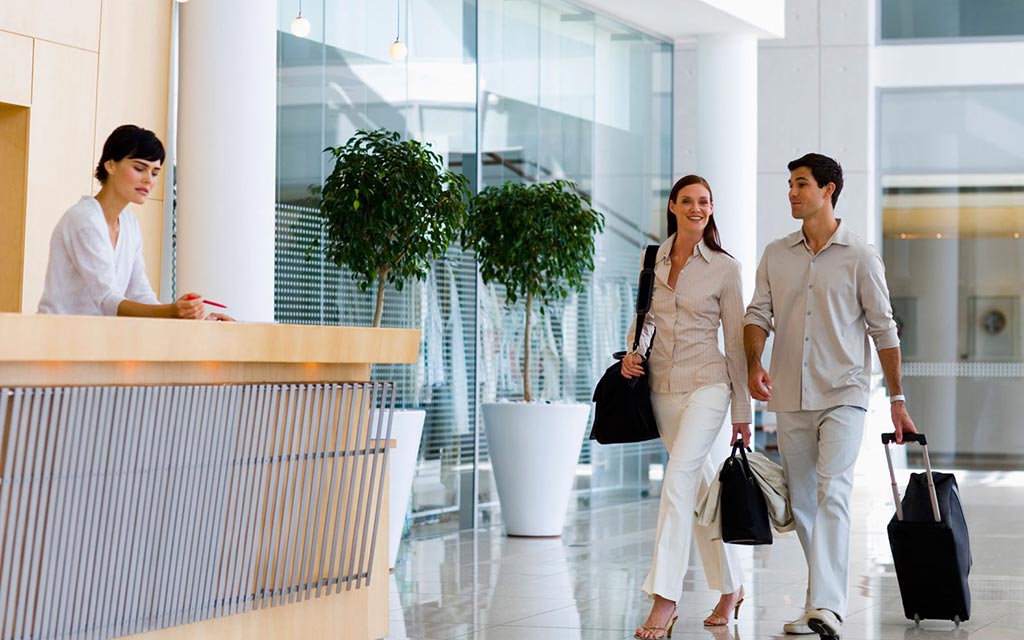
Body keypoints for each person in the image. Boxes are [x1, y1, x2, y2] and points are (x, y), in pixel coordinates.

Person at [743, 153, 916, 639]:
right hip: (791, 395)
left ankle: (827, 606)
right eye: (790, 185)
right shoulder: (776, 254)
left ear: (829, 190)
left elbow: (884, 331)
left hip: (844, 392)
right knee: (802, 502)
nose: (792, 193)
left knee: (833, 492)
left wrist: (897, 400)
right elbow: (757, 314)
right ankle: (819, 602)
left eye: (801, 184)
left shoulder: (860, 255)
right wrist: (756, 363)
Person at [621, 175, 751, 639]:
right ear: (673, 206)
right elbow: (644, 319)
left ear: (711, 209)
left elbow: (736, 345)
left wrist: (743, 413)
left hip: (708, 385)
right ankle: (732, 587)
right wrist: (632, 353)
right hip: (661, 387)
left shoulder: (724, 268)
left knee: (676, 482)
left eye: (705, 202)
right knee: (697, 491)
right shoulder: (651, 258)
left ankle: (665, 599)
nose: (698, 208)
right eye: (689, 201)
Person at [38, 124, 230, 320]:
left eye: (155, 173)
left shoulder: (129, 223)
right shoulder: (84, 220)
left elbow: (140, 294)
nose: (148, 180)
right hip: (58, 339)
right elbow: (107, 300)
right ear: (110, 165)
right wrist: (171, 312)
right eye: (140, 168)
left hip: (94, 340)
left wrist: (186, 317)